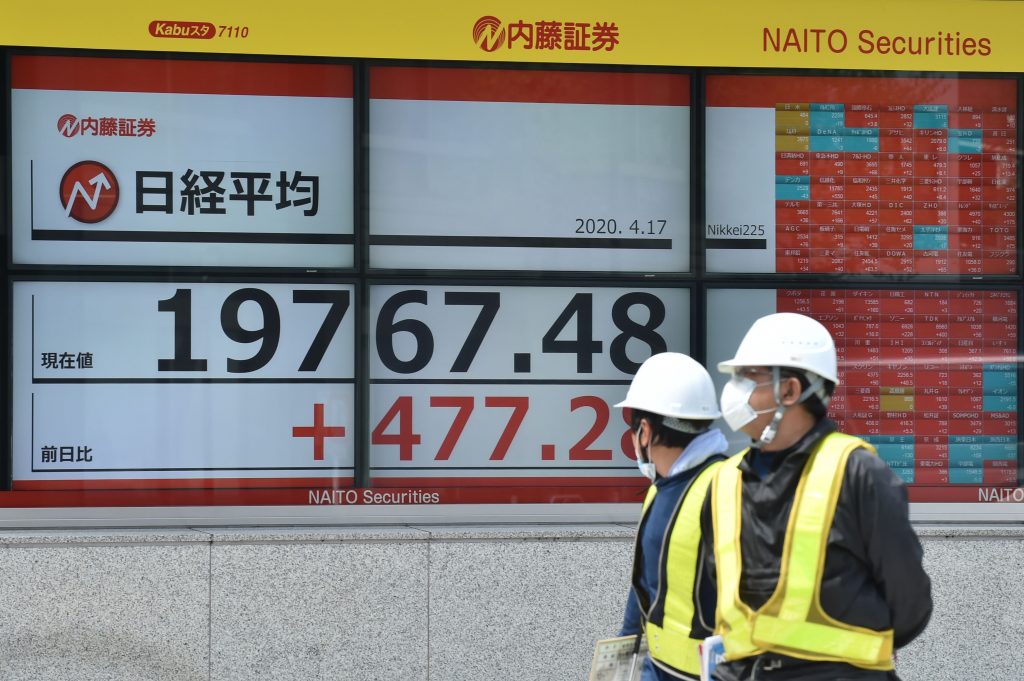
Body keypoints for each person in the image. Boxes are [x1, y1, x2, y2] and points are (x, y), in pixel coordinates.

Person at [699, 312, 932, 680]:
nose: (734, 389)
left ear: (790, 390)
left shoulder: (856, 473)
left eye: (749, 377)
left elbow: (909, 602)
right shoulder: (724, 481)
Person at [616, 352, 730, 680]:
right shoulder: (659, 489)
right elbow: (645, 584)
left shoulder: (726, 486)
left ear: (645, 431)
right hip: (656, 669)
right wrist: (624, 659)